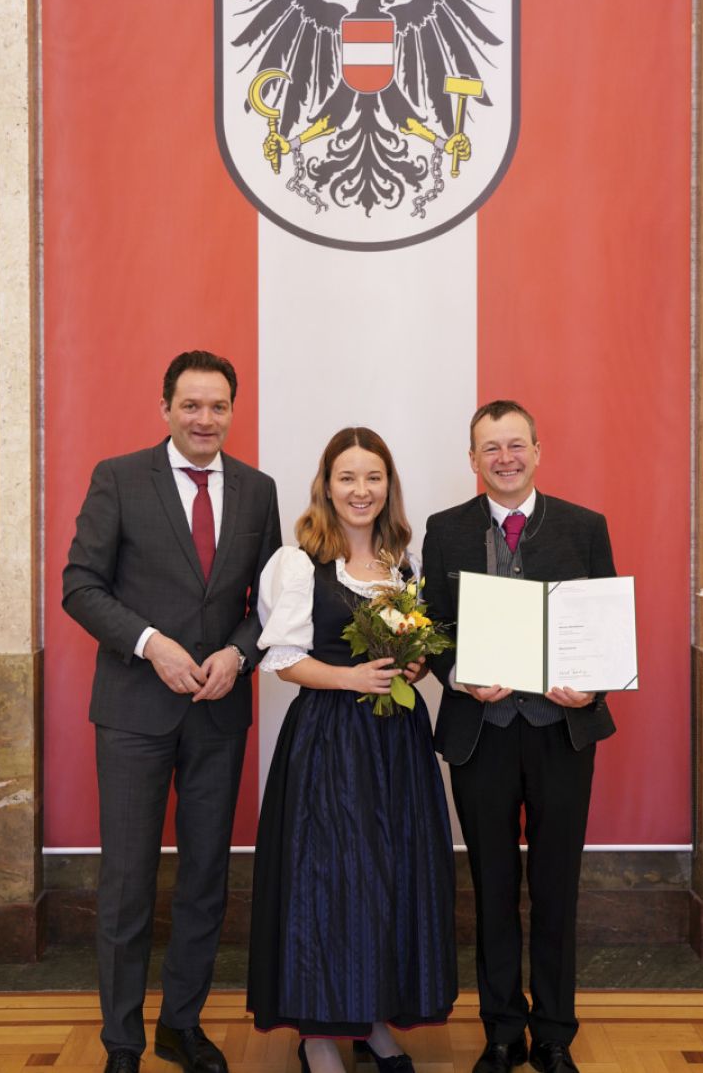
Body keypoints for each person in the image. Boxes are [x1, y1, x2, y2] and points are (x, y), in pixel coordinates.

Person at [63, 350, 281, 1073]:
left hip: (218, 713)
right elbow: (80, 586)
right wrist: (151, 644)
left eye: (218, 406)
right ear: (165, 409)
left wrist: (239, 654)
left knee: (205, 877)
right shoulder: (119, 478)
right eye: (191, 405)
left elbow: (270, 603)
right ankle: (122, 1041)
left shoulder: (257, 490)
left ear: (232, 411)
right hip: (133, 710)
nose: (204, 419)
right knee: (127, 882)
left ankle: (180, 1025)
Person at [247, 427, 457, 1073]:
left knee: (390, 878)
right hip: (330, 742)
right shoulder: (298, 563)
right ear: (327, 486)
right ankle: (317, 1034)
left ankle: (373, 1021)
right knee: (331, 880)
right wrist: (350, 678)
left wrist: (415, 666)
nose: (361, 490)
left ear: (388, 485)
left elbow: (411, 653)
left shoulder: (403, 564)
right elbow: (282, 660)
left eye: (373, 477)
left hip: (397, 743)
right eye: (347, 477)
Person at [421, 400, 616, 1073]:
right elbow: (431, 628)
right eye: (490, 448)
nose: (504, 458)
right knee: (493, 883)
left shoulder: (585, 527)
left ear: (537, 451)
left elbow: (603, 626)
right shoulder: (444, 530)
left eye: (515, 445)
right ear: (472, 459)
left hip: (562, 731)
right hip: (482, 733)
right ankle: (503, 1029)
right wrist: (459, 676)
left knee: (557, 885)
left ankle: (554, 1032)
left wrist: (593, 686)